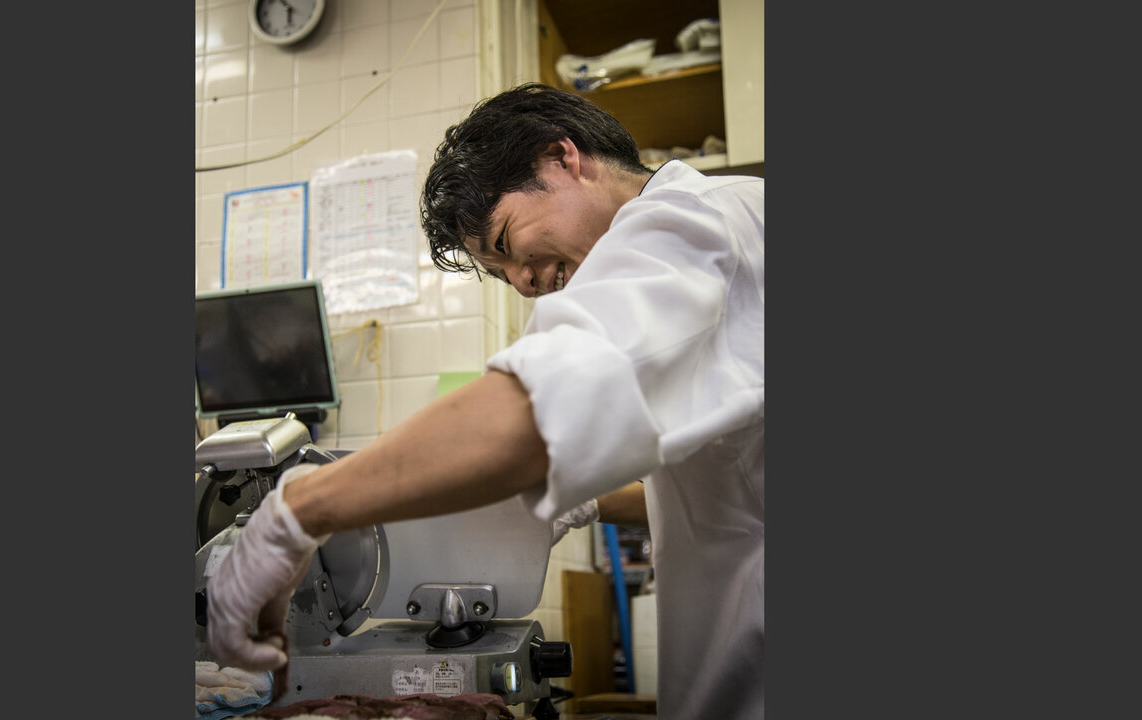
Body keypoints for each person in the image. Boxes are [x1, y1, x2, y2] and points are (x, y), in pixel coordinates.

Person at [205, 82, 765, 720]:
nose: (524, 283)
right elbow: (730, 487)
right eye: (501, 275)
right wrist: (591, 501)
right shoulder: (726, 223)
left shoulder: (691, 223)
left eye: (505, 242)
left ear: (562, 158)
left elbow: (529, 413)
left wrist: (295, 512)